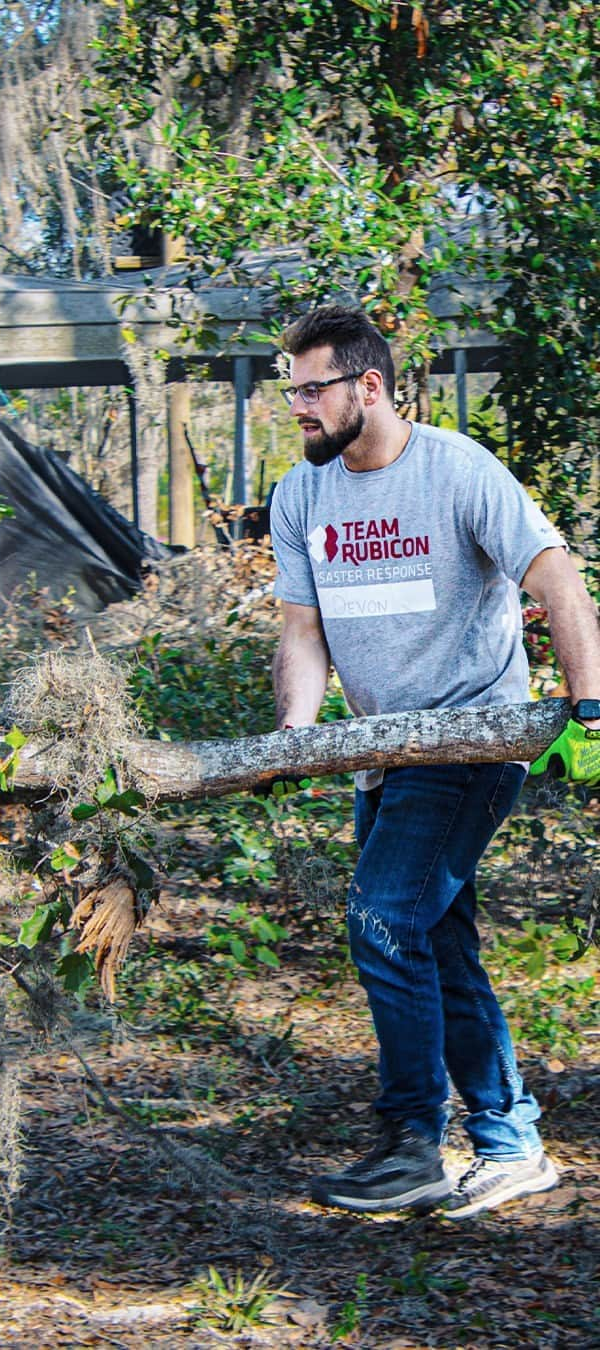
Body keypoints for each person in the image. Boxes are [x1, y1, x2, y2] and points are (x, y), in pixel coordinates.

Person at [268, 305, 600, 1218]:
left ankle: (411, 1143)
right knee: (436, 939)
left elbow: (558, 580)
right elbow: (304, 631)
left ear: (367, 387)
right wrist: (296, 734)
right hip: (382, 753)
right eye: (290, 390)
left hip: (470, 739)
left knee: (382, 920)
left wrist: (591, 713)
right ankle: (509, 1140)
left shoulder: (458, 471)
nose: (297, 407)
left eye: (311, 390)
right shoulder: (302, 496)